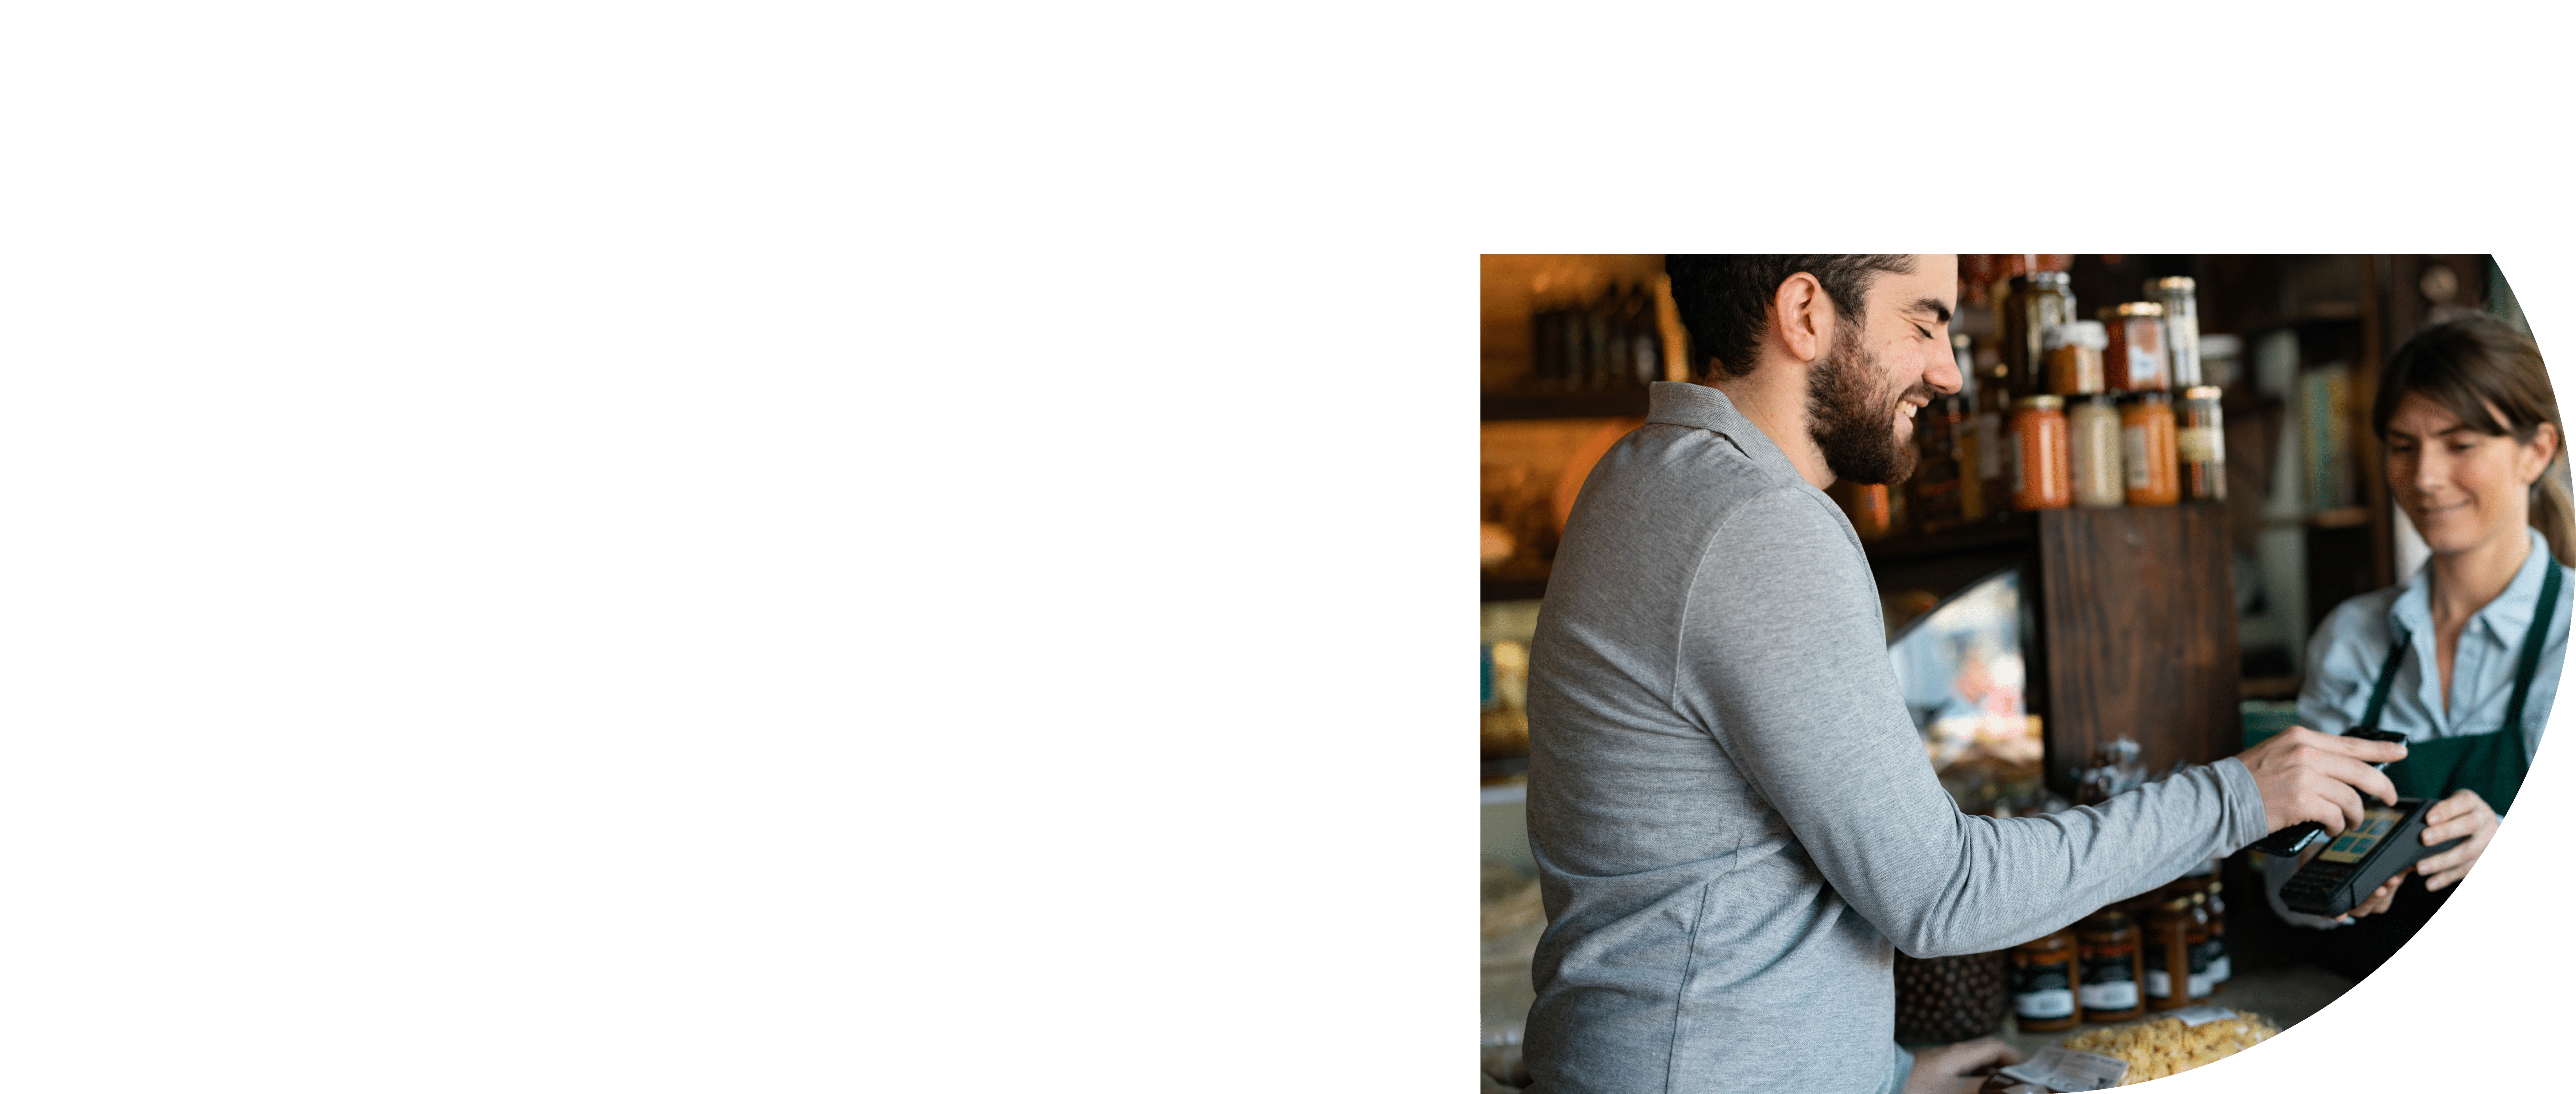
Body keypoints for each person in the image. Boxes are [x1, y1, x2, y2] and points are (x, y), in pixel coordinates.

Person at [1522, 254, 2407, 1094]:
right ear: (1804, 316)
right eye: (1923, 323)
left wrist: (1887, 1073)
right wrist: (2239, 798)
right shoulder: (1761, 521)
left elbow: (1714, 880)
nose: (1949, 372)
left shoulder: (1641, 474)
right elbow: (1942, 892)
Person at [2265, 314, 2568, 978]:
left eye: (2460, 444)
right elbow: (2286, 871)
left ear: (2537, 451)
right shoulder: (2350, 639)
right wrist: (2330, 885)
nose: (2426, 477)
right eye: (2403, 446)